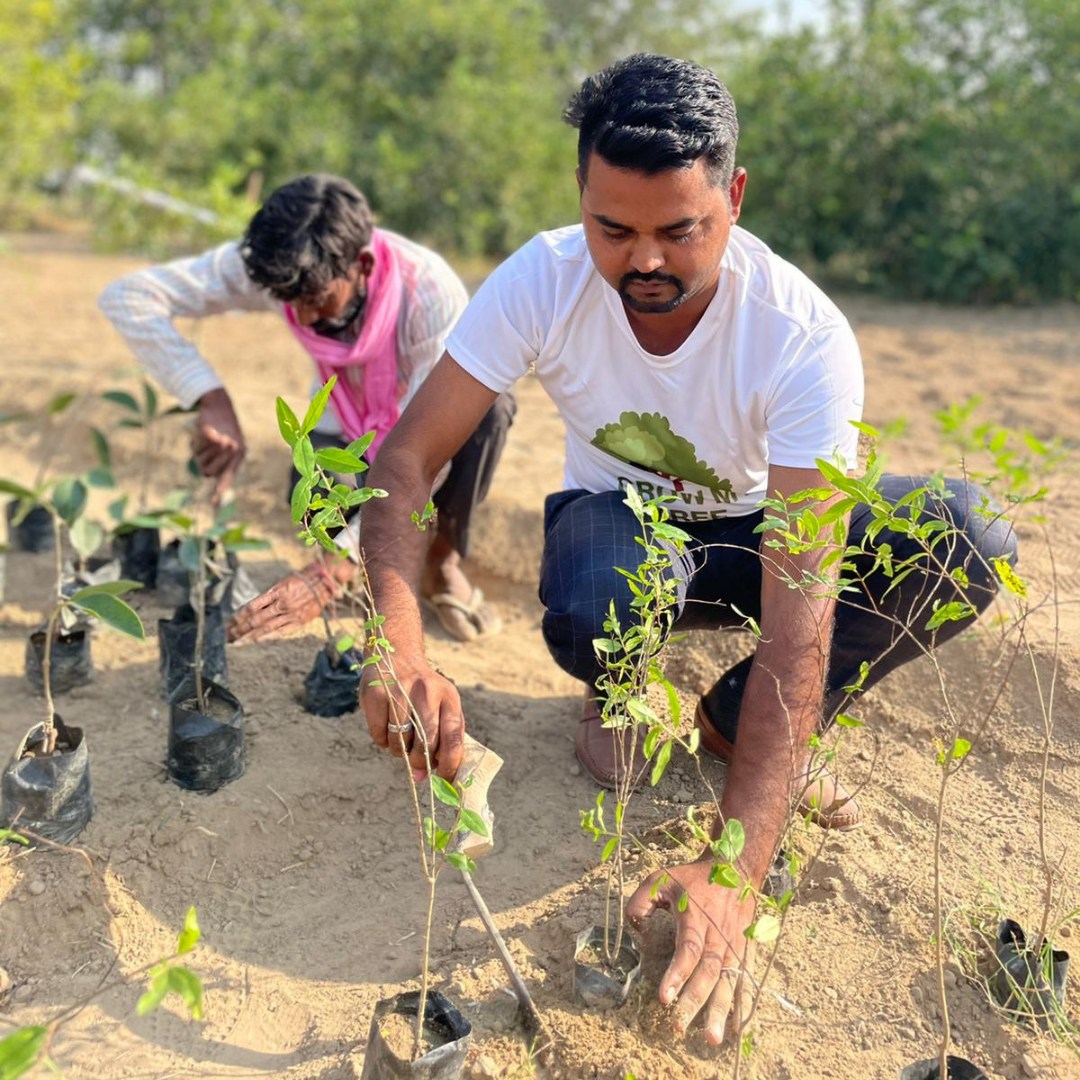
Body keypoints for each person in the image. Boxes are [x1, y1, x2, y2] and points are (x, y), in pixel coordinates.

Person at [354, 54, 1017, 1043]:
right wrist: (398, 646)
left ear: (735, 198)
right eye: (612, 229)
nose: (644, 260)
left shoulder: (800, 337)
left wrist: (738, 868)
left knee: (966, 538)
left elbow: (802, 606)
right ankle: (618, 686)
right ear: (581, 196)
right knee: (592, 601)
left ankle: (727, 719)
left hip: (760, 535)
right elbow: (405, 463)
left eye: (680, 230)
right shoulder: (541, 278)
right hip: (620, 521)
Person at [99, 173, 513, 642]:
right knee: (316, 487)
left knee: (486, 411)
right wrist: (208, 397)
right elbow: (128, 298)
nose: (307, 318)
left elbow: (430, 450)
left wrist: (327, 577)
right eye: (290, 303)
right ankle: (360, 561)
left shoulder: (429, 294)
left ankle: (439, 560)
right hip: (343, 432)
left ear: (360, 263)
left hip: (424, 437)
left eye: (316, 300)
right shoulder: (278, 266)